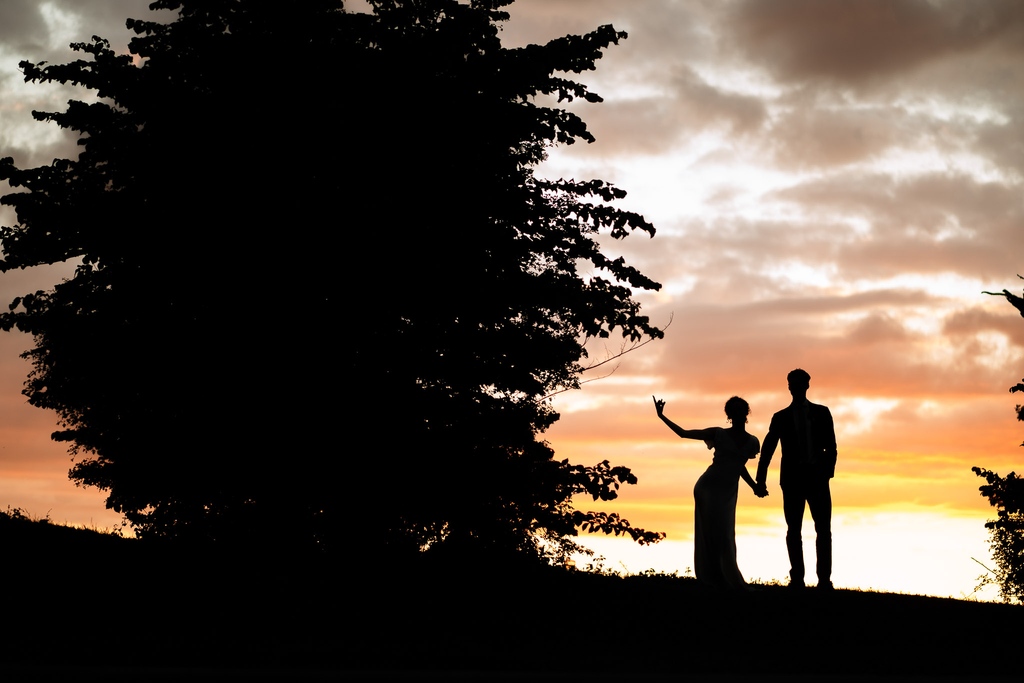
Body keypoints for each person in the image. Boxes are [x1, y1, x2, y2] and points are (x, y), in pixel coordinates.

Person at [654, 395, 764, 589]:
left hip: (728, 491)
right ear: (729, 414)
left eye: (741, 409)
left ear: (746, 412)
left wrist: (755, 486)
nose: (737, 413)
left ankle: (723, 576)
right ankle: (714, 576)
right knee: (714, 531)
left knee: (725, 533)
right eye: (734, 410)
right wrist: (662, 416)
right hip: (709, 488)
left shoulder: (752, 441)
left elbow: (739, 466)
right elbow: (683, 433)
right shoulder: (718, 433)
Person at [755, 368, 837, 590]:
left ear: (807, 385)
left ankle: (824, 580)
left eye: (800, 383)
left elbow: (831, 446)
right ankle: (797, 578)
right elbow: (768, 448)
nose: (797, 387)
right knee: (794, 530)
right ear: (789, 386)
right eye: (793, 383)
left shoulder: (822, 412)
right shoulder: (780, 417)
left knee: (823, 530)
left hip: (817, 479)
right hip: (792, 481)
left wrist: (826, 473)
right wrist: (760, 479)